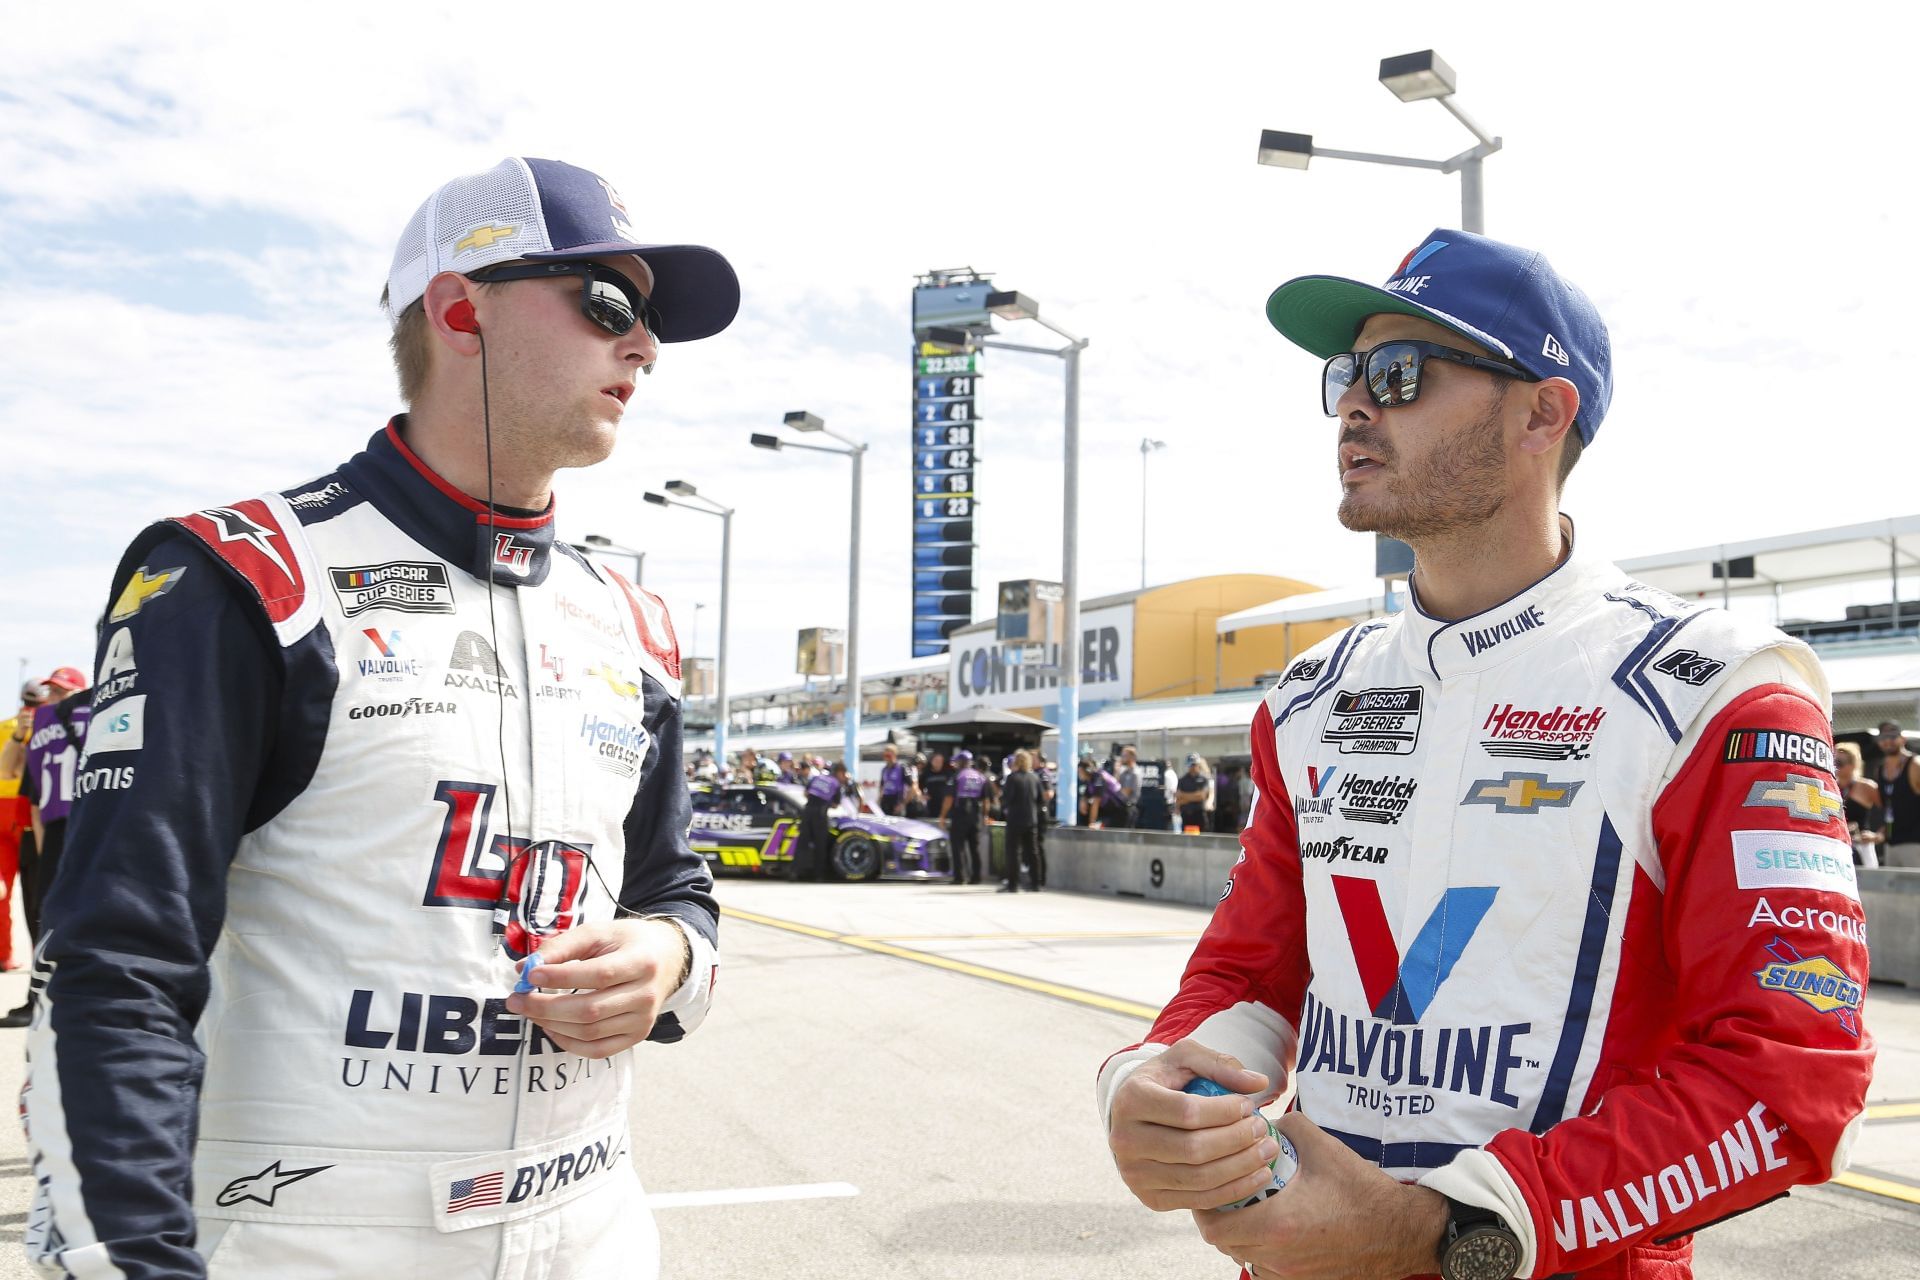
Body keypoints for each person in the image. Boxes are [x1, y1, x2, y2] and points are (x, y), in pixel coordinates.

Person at [1100, 229, 1872, 1280]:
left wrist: (1445, 1229)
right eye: (1346, 376)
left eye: (1401, 372)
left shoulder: (1712, 686)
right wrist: (1160, 1083)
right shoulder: (1311, 694)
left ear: (1542, 414)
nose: (1355, 407)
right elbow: (1255, 968)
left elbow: (1791, 1079)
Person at [24, 157, 735, 1279]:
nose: (643, 346)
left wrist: (665, 953)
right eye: (608, 305)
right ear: (461, 311)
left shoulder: (632, 622)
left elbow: (676, 889)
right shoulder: (244, 578)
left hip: (591, 1234)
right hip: (305, 1240)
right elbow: (114, 972)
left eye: (651, 321)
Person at [0, 681, 49, 982]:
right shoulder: (12, 728)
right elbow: (9, 770)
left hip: (32, 816)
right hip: (15, 813)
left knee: (36, 896)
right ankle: (7, 954)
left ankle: (33, 962)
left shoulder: (50, 730)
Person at [1875, 721, 1920, 866]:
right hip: (1891, 845)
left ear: (1903, 739)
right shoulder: (1880, 769)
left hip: (1914, 844)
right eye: (1883, 738)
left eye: (1892, 736)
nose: (1887, 741)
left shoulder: (1914, 764)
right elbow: (1889, 809)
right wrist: (1880, 834)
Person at [1834, 742, 1884, 867]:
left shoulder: (1867, 787)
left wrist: (1879, 836)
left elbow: (1890, 812)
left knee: (1869, 882)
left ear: (1852, 765)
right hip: (1838, 843)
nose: (1835, 766)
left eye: (1839, 763)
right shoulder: (1831, 786)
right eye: (1832, 762)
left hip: (1862, 845)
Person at [999, 750, 1042, 892]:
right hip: (1031, 819)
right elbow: (1040, 800)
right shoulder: (1035, 778)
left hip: (1015, 819)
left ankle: (1013, 884)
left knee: (1013, 852)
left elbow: (1006, 800)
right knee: (1033, 852)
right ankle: (1036, 883)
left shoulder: (1012, 778)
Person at [943, 749, 987, 884]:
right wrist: (985, 815)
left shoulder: (957, 776)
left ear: (961, 762)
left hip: (960, 814)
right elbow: (986, 800)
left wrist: (942, 815)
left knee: (958, 847)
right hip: (975, 814)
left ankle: (960, 877)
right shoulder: (980, 777)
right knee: (975, 848)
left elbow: (949, 798)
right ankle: (976, 877)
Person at [796, 759, 843, 882]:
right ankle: (818, 875)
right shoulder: (836, 783)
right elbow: (835, 805)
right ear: (839, 772)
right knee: (820, 845)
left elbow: (806, 793)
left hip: (807, 811)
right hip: (820, 814)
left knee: (802, 844)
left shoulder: (817, 777)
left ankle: (795, 873)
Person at [1174, 754, 1211, 833]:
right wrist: (1194, 796)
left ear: (1198, 765)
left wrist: (1183, 795)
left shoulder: (1204, 779)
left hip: (1199, 814)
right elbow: (1179, 800)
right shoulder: (1182, 780)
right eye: (1190, 765)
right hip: (1186, 815)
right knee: (1187, 840)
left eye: (1194, 765)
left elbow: (1201, 796)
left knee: (1202, 840)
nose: (1192, 767)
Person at [878, 742, 915, 816]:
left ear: (894, 755)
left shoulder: (902, 768)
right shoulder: (884, 769)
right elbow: (882, 786)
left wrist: (903, 804)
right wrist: (879, 801)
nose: (887, 758)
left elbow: (912, 787)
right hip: (885, 802)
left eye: (889, 755)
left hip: (897, 803)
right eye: (885, 755)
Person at [1113, 746, 1142, 829]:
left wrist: (1114, 791)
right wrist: (1116, 771)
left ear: (1132, 757)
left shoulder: (1135, 772)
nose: (1122, 758)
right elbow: (1115, 783)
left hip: (1128, 808)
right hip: (1120, 808)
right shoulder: (1123, 771)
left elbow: (1125, 792)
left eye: (1124, 756)